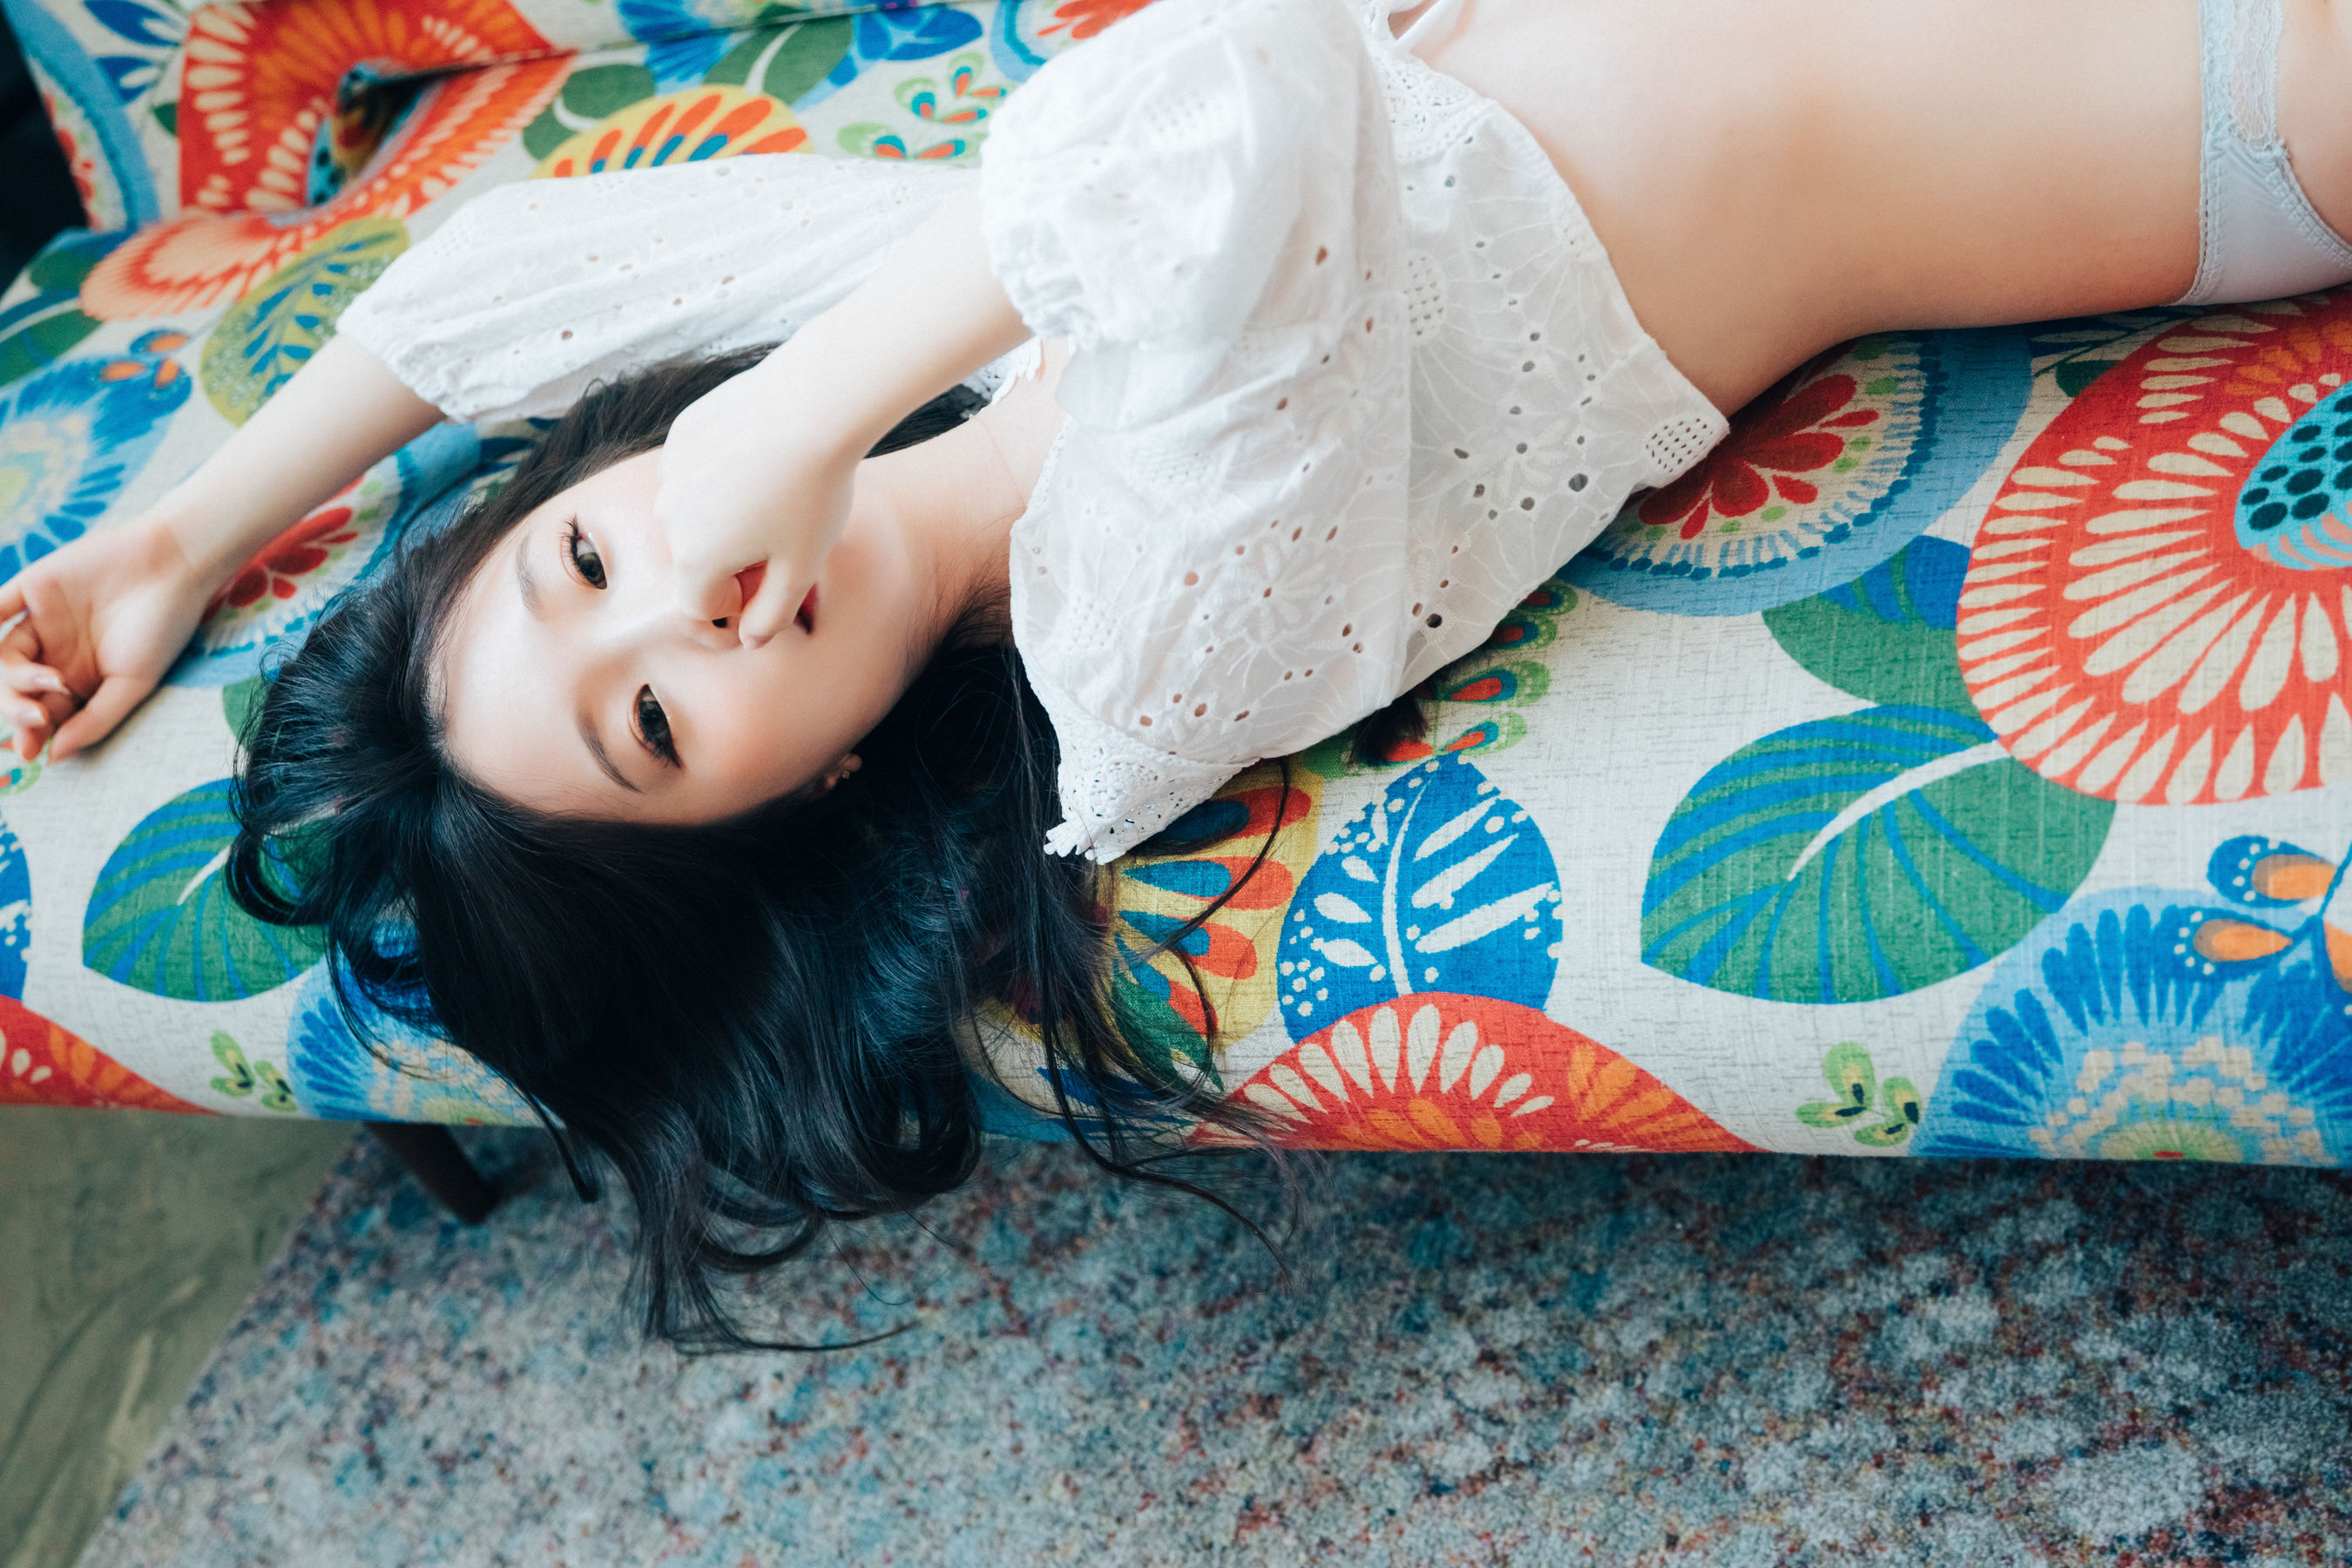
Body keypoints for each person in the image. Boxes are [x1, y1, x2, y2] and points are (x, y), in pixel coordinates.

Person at [2, 0, 2346, 1344]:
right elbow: (1231, 109)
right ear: (795, 803)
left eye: (584, 557)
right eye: (654, 724)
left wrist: (172, 540)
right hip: (2190, 87)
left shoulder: (898, 338)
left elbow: (487, 284)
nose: (682, 592)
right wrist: (778, 422)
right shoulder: (1144, 648)